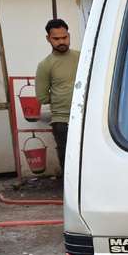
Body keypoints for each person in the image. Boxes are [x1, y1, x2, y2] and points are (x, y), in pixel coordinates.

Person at [35, 19, 80, 173]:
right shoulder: (45, 65)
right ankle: (69, 192)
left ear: (69, 35)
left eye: (64, 37)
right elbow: (42, 97)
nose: (62, 41)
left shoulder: (82, 57)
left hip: (86, 117)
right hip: (62, 121)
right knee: (68, 157)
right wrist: (62, 97)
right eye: (56, 38)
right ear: (48, 39)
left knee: (88, 155)